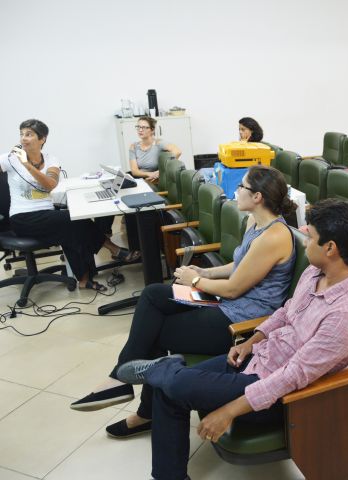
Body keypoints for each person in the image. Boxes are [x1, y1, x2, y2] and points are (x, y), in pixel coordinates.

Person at [113, 198, 348, 480]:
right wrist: (253, 340)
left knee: (172, 383)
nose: (305, 242)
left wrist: (229, 411)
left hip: (279, 396)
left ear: (331, 249)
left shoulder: (346, 315)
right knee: (167, 390)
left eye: (310, 237)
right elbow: (286, 312)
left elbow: (293, 376)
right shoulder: (315, 272)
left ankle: (164, 368)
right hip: (257, 359)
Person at [70, 166, 298, 437]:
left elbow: (235, 289)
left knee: (154, 331)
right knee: (153, 295)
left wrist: (195, 281)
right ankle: (122, 381)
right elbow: (238, 265)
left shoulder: (275, 236)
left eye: (242, 187)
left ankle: (142, 408)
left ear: (258, 196)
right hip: (227, 302)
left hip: (243, 320)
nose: (236, 192)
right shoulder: (254, 222)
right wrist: (204, 272)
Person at [0, 119, 139, 292]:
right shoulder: (9, 159)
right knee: (73, 220)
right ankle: (114, 249)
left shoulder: (51, 160)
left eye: (29, 134)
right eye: (21, 134)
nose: (23, 138)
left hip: (46, 213)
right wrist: (22, 162)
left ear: (42, 139)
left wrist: (27, 165)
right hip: (22, 218)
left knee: (71, 230)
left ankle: (84, 279)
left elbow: (50, 184)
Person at [129, 116, 181, 182]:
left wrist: (161, 171)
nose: (140, 130)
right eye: (138, 127)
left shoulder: (158, 143)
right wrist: (151, 174)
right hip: (139, 180)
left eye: (144, 127)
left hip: (154, 181)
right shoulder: (133, 146)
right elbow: (134, 171)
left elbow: (178, 151)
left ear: (152, 130)